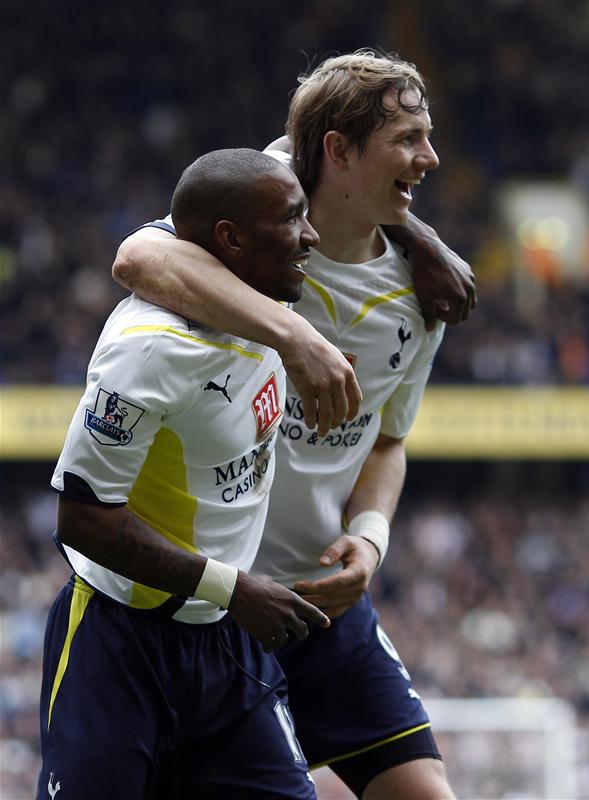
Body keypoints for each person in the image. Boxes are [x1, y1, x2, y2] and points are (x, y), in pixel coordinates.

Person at [112, 51, 465, 799]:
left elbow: (389, 440)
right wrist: (294, 338)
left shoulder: (424, 290)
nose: (429, 157)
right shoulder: (258, 215)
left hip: (322, 601)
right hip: (214, 607)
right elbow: (139, 255)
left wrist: (369, 541)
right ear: (335, 150)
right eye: (409, 139)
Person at [37, 148, 332, 800]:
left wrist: (422, 243)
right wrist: (233, 589)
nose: (311, 235)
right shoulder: (150, 350)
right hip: (119, 643)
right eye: (292, 220)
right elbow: (82, 518)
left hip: (227, 644)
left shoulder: (262, 283)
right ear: (229, 239)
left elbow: (347, 147)